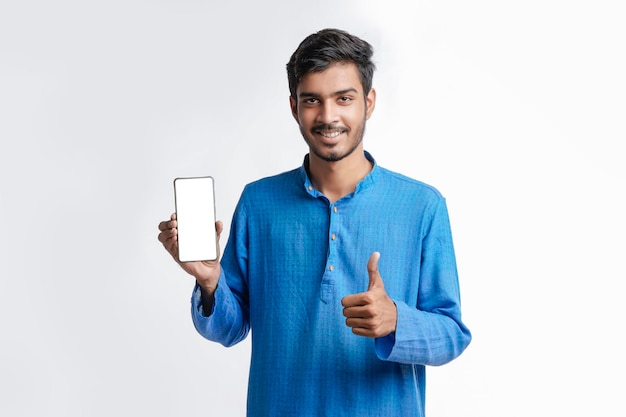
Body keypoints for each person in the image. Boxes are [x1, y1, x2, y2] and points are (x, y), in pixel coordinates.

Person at [158, 28, 471, 417]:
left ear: (368, 103)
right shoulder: (259, 202)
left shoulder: (422, 205)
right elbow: (228, 327)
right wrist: (209, 284)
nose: (328, 116)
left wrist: (396, 319)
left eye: (344, 98)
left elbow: (452, 335)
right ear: (294, 107)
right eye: (312, 100)